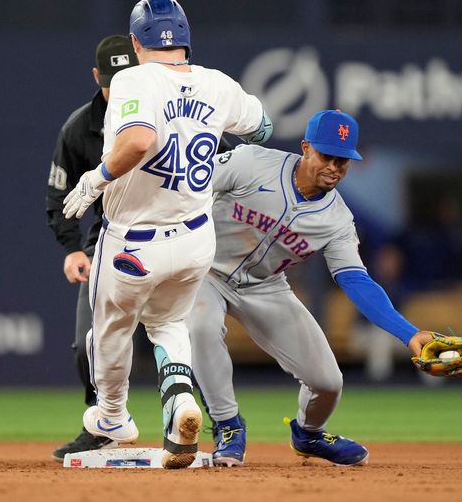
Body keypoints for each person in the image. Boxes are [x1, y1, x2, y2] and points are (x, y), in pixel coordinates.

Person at [62, 0, 272, 469]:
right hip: (195, 238)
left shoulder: (134, 79)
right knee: (168, 324)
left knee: (110, 330)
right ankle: (180, 403)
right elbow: (262, 127)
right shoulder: (217, 83)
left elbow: (139, 140)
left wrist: (96, 178)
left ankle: (113, 415)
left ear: (136, 42)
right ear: (185, 40)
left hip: (133, 242)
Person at [186, 109, 435, 467]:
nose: (334, 166)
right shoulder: (251, 161)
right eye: (327, 156)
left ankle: (309, 434)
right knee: (201, 326)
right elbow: (188, 187)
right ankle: (228, 425)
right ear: (305, 148)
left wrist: (408, 333)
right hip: (205, 271)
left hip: (265, 287)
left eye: (343, 160)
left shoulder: (337, 220)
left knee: (328, 381)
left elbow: (355, 280)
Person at [46, 35, 139, 461]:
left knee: (196, 335)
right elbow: (58, 195)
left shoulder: (169, 114)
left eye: (129, 78)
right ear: (97, 76)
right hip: (108, 239)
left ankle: (220, 428)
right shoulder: (80, 127)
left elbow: (220, 161)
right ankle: (102, 424)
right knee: (88, 342)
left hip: (177, 236)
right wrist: (72, 248)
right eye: (112, 80)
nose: (120, 88)